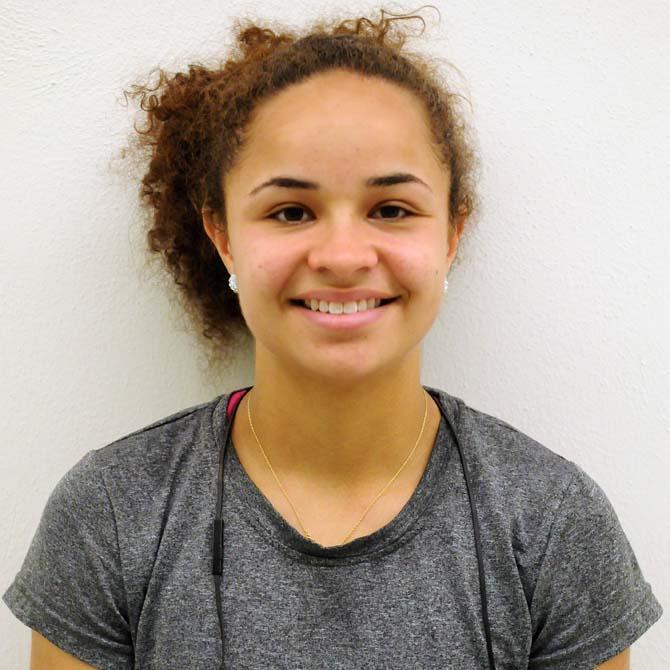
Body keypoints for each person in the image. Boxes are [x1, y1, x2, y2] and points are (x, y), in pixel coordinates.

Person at [3, 8, 663, 669]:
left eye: (391, 210)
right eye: (290, 211)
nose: (344, 255)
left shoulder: (551, 522)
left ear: (451, 233)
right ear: (223, 236)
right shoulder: (112, 514)